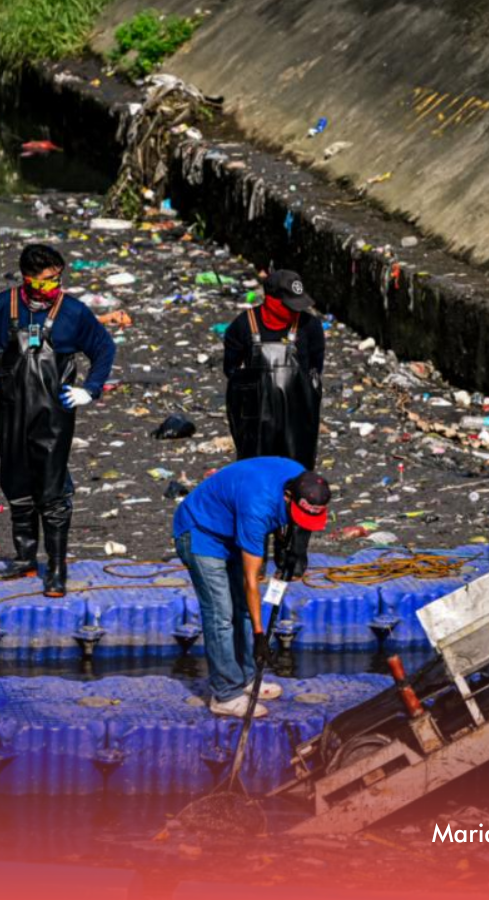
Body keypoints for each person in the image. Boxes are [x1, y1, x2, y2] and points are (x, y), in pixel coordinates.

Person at [0, 244, 116, 598]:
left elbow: (104, 348)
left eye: (57, 279)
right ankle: (25, 558)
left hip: (54, 415)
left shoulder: (72, 312)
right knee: (15, 482)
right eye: (46, 281)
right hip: (10, 410)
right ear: (27, 278)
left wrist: (90, 389)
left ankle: (56, 569)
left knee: (53, 488)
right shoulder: (2, 307)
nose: (53, 287)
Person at [173, 459, 330, 717]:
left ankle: (246, 677)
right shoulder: (258, 508)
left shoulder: (300, 478)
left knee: (244, 611)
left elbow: (291, 523)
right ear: (288, 495)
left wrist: (289, 550)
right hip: (201, 532)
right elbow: (251, 580)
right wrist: (259, 636)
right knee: (221, 615)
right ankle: (225, 694)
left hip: (232, 527)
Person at [223, 269, 325, 467]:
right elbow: (232, 371)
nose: (296, 311)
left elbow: (315, 370)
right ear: (271, 300)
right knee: (255, 467)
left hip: (298, 414)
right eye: (289, 305)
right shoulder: (243, 326)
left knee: (296, 470)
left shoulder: (310, 327)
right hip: (255, 416)